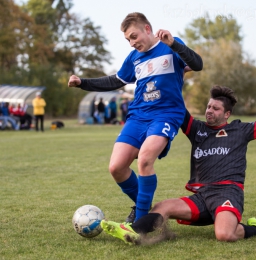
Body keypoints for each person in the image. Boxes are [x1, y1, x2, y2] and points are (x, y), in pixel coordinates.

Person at [68, 12, 203, 223]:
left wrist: (175, 45)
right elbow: (115, 81)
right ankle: (146, 208)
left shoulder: (171, 45)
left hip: (166, 114)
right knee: (116, 167)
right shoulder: (134, 58)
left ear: (147, 29)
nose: (131, 43)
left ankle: (141, 224)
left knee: (146, 160)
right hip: (138, 116)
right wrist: (82, 83)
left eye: (134, 36)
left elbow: (197, 64)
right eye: (128, 39)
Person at [100, 85, 256, 245]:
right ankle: (133, 231)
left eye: (216, 108)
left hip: (227, 193)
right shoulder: (198, 129)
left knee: (224, 234)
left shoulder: (240, 130)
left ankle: (255, 228)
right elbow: (178, 107)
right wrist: (164, 82)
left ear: (227, 114)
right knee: (162, 207)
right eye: (209, 106)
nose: (210, 110)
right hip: (202, 197)